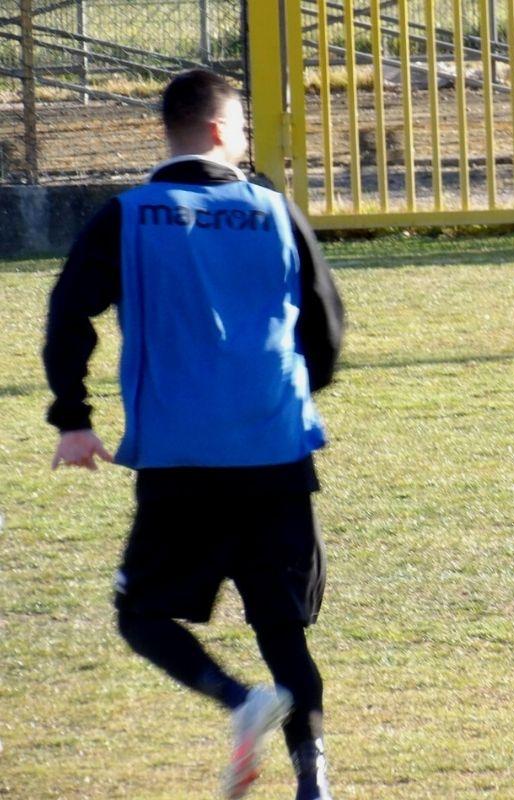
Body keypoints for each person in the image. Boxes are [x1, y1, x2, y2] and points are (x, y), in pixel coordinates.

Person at [43, 68, 343, 800]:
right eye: (241, 125)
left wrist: (73, 416)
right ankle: (313, 778)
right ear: (216, 129)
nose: (245, 137)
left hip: (181, 460)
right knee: (282, 628)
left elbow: (69, 312)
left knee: (141, 612)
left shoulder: (127, 215)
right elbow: (327, 327)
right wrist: (280, 394)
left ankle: (238, 700)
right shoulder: (275, 210)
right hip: (275, 454)